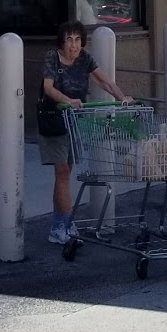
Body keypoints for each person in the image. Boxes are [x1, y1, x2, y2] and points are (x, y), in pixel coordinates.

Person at [38, 20, 131, 244]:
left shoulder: (85, 58)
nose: (73, 44)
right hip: (54, 119)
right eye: (69, 39)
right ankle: (66, 225)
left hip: (74, 121)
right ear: (62, 41)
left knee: (65, 173)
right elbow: (48, 88)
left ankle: (58, 226)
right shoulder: (53, 57)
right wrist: (67, 100)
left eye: (78, 39)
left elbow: (105, 81)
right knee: (61, 172)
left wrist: (123, 98)